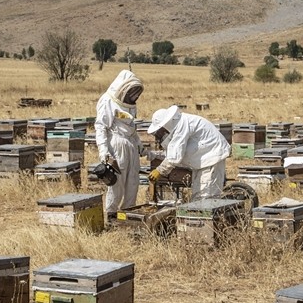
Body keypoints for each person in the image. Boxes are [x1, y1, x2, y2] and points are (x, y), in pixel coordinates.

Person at [146, 105, 230, 200]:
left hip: (212, 157)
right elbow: (173, 152)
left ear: (166, 124)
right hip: (203, 160)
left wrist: (160, 170)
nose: (161, 133)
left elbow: (174, 157)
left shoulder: (181, 125)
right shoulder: (179, 124)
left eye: (161, 130)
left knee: (206, 196)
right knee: (198, 195)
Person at [95, 69, 143, 218]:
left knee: (133, 182)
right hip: (116, 144)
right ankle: (111, 215)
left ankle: (127, 216)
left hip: (130, 144)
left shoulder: (129, 104)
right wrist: (103, 151)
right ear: (122, 87)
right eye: (131, 92)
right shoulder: (107, 100)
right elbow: (101, 126)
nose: (133, 96)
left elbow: (131, 127)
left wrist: (139, 143)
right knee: (117, 184)